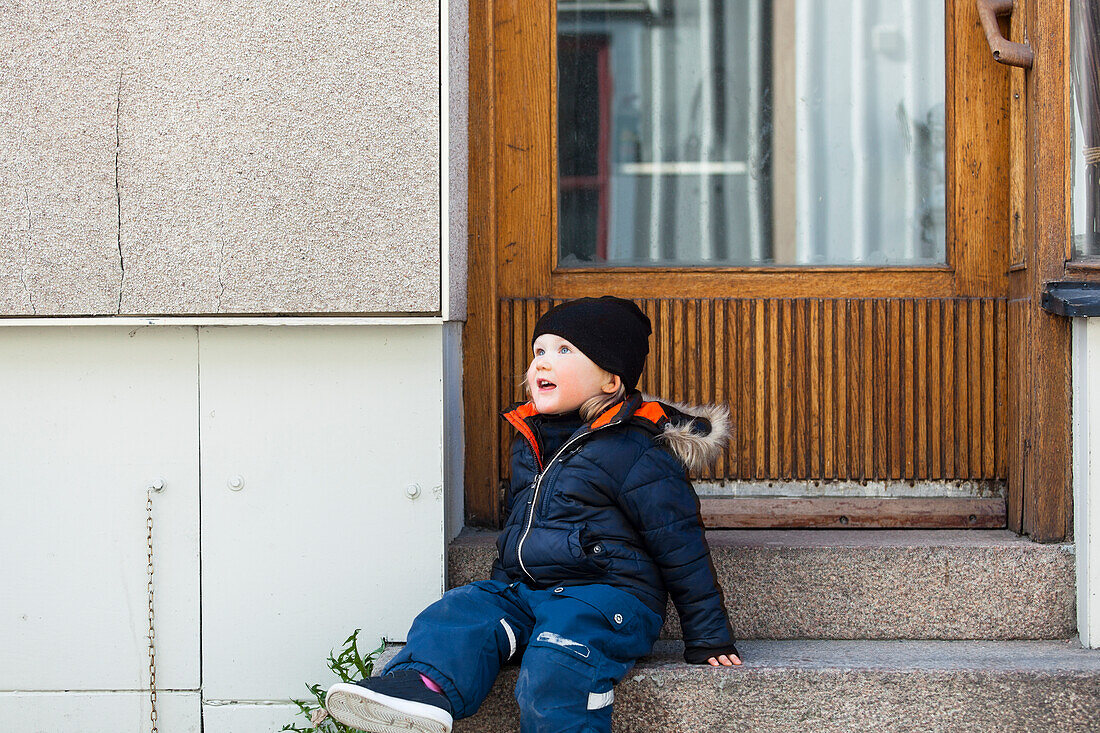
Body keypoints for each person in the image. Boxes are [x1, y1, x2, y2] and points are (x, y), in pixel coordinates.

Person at [325, 296, 742, 733]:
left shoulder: (636, 450)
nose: (542, 362)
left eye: (564, 351)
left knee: (558, 656)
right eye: (539, 351)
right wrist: (499, 593)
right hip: (531, 589)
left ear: (610, 380)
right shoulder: (529, 440)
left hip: (609, 597)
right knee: (460, 610)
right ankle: (423, 688)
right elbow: (522, 526)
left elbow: (680, 543)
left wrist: (707, 633)